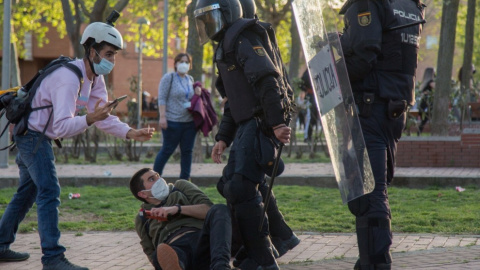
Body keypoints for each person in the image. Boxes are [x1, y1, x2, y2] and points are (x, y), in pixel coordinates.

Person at [0, 20, 154, 270]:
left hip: (36, 135)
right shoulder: (69, 78)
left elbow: (103, 116)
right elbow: (63, 126)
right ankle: (53, 258)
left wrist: (131, 133)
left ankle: (0, 245)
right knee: (49, 191)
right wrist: (91, 118)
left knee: (27, 193)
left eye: (114, 55)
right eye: (108, 54)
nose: (112, 61)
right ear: (92, 51)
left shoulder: (94, 77)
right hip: (32, 136)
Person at [194, 0, 299, 269]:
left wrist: (276, 123)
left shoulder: (243, 36)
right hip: (246, 123)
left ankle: (262, 257)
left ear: (227, 12)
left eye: (210, 17)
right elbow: (234, 102)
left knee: (240, 186)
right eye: (202, 20)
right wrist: (222, 138)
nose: (206, 25)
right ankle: (280, 236)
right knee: (231, 184)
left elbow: (268, 79)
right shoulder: (225, 45)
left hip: (261, 122)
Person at [339, 0, 425, 269]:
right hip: (392, 107)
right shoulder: (408, 5)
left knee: (370, 193)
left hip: (371, 107)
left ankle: (377, 261)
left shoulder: (368, 2)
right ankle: (368, 261)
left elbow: (365, 55)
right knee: (369, 189)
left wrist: (334, 66)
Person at [129, 168, 232, 270]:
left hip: (202, 240)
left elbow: (208, 209)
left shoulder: (180, 187)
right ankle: (175, 266)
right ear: (143, 194)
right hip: (175, 248)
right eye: (152, 179)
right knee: (160, 255)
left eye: (158, 176)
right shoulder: (142, 217)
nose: (159, 180)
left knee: (220, 209)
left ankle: (221, 266)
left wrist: (177, 209)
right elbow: (149, 249)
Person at [154, 53, 202, 180]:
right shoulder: (169, 78)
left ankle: (184, 182)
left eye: (186, 62)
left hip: (189, 123)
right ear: (175, 64)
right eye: (181, 61)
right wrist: (162, 117)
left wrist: (197, 94)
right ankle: (154, 179)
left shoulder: (190, 79)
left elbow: (192, 100)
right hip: (172, 122)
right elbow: (162, 98)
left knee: (187, 152)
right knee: (167, 151)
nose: (184, 64)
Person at [299, 69, 320, 142]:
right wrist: (307, 90)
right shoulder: (307, 72)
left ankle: (310, 135)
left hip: (318, 96)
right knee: (310, 116)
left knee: (314, 118)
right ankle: (307, 136)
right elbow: (301, 84)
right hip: (311, 96)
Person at [418, 67, 435, 133]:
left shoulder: (424, 82)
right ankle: (419, 132)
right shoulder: (430, 82)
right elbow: (437, 88)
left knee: (424, 120)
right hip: (427, 105)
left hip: (423, 104)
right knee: (425, 119)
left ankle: (419, 132)